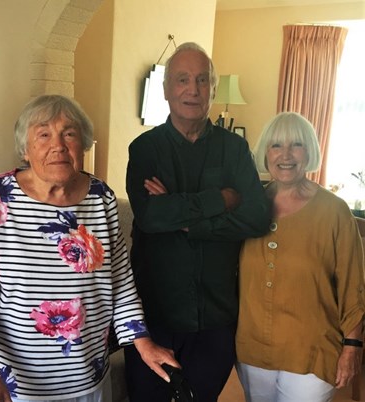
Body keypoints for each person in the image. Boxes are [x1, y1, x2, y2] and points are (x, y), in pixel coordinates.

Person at [0, 94, 179, 402]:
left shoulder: (101, 198)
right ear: (25, 148)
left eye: (70, 133)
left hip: (85, 380)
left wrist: (142, 342)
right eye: (44, 134)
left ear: (84, 144)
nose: (58, 145)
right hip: (8, 385)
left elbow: (119, 281)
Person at [124, 41, 271, 402]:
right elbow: (150, 216)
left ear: (213, 90)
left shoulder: (234, 149)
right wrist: (220, 199)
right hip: (153, 318)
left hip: (215, 319)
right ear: (166, 89)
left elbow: (257, 216)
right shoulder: (144, 150)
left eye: (202, 80)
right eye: (183, 79)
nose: (193, 89)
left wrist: (191, 221)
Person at [236, 112, 365, 402]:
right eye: (276, 146)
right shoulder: (249, 205)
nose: (285, 155)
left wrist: (352, 345)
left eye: (296, 145)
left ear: (309, 151)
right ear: (265, 152)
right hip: (253, 348)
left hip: (311, 349)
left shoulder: (335, 211)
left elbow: (352, 285)